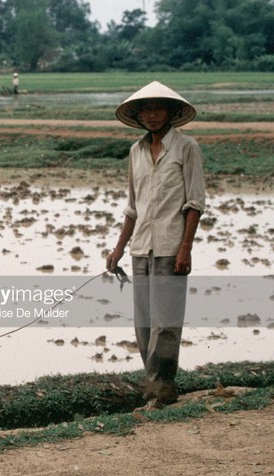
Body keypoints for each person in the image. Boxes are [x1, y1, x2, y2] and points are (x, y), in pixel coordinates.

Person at [106, 81, 205, 410]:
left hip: (170, 245)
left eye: (158, 109)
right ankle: (156, 388)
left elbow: (194, 203)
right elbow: (133, 207)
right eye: (145, 110)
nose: (151, 115)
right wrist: (119, 248)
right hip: (141, 248)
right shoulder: (135, 151)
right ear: (138, 115)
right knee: (144, 321)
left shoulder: (186, 148)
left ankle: (159, 391)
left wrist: (185, 248)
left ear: (172, 113)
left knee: (166, 323)